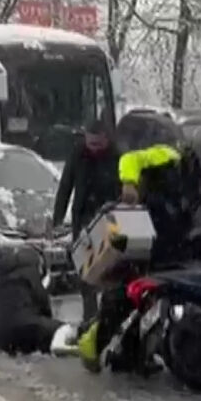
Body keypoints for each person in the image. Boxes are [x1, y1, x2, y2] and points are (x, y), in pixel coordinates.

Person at [76, 123, 201, 372]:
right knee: (126, 296)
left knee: (169, 289)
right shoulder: (169, 157)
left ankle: (136, 353)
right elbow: (131, 159)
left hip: (174, 245)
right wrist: (129, 184)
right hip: (144, 237)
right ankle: (93, 344)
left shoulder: (200, 182)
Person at [52, 116, 120, 322]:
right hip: (82, 217)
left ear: (107, 140)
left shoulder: (117, 156)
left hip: (110, 218)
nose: (94, 148)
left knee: (110, 271)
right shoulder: (78, 154)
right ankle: (89, 317)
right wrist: (57, 219)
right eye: (90, 144)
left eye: (98, 144)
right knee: (85, 271)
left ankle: (110, 315)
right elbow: (65, 187)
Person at [0, 246, 77, 356]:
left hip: (0, 336)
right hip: (28, 328)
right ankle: (61, 349)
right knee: (65, 329)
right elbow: (43, 302)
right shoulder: (31, 273)